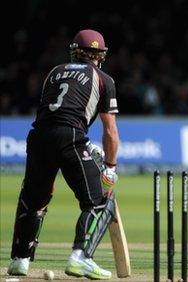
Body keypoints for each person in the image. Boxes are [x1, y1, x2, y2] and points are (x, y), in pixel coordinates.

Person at [7, 29, 120, 280]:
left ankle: (20, 260)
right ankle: (81, 258)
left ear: (74, 51)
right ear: (100, 55)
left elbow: (58, 112)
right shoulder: (104, 78)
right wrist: (110, 168)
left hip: (38, 137)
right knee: (101, 199)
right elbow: (111, 132)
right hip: (70, 137)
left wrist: (85, 143)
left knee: (34, 199)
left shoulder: (54, 72)